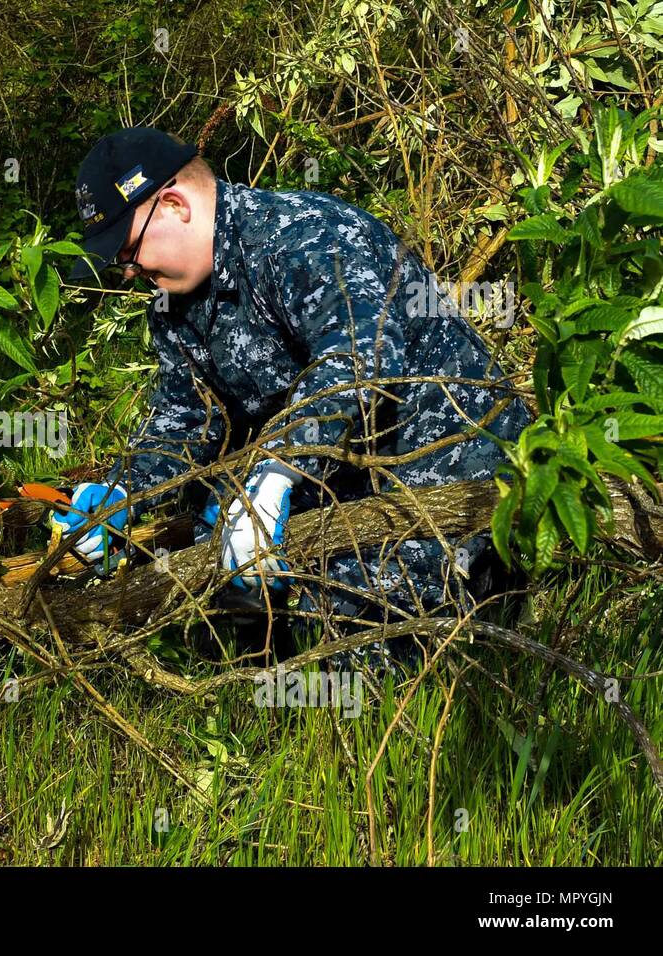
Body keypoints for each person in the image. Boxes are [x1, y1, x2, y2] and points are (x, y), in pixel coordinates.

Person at [48, 127, 533, 669]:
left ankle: (490, 590)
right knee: (223, 568)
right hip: (344, 472)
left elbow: (359, 361)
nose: (132, 272)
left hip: (446, 462)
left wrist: (276, 475)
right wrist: (120, 494)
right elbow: (185, 421)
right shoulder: (172, 307)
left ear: (174, 205)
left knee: (365, 650)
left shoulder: (303, 236)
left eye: (129, 251)